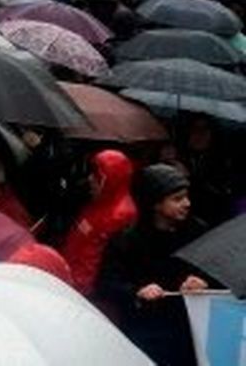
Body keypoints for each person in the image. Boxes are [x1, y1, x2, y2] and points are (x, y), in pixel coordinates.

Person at [96, 164, 215, 366]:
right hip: (146, 337)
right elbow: (106, 284)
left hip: (191, 335)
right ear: (155, 204)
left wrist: (204, 283)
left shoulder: (198, 231)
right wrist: (137, 292)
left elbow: (219, 271)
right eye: (177, 199)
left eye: (186, 197)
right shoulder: (126, 240)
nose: (187, 203)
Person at [61, 149, 137, 295]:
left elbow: (100, 259)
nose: (90, 179)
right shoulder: (99, 201)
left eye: (96, 176)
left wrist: (78, 288)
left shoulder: (120, 215)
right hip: (71, 278)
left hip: (83, 290)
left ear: (110, 179)